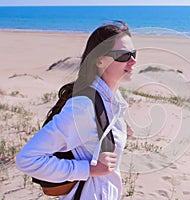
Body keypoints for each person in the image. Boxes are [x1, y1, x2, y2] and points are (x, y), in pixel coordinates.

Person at [16, 20, 136, 200]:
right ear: (100, 61)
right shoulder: (83, 106)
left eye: (133, 54)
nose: (133, 61)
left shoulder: (113, 99)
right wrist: (88, 169)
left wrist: (117, 129)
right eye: (123, 55)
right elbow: (27, 159)